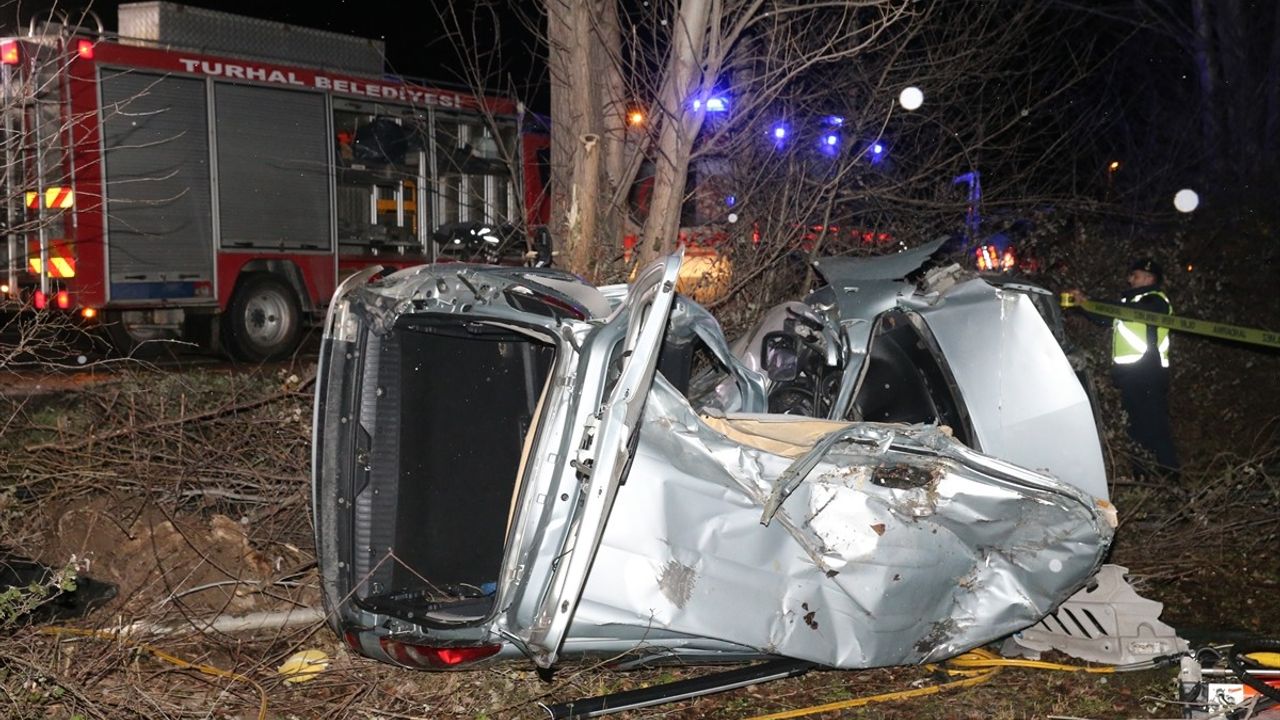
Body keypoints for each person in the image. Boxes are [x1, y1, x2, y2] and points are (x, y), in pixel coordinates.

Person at [1065, 258, 1180, 481]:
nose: (1129, 279)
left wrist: (1092, 302)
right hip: (1131, 377)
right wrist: (1085, 305)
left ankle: (1173, 481)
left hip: (1148, 374)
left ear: (1148, 278)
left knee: (1155, 428)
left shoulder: (1155, 301)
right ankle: (1143, 480)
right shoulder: (1129, 303)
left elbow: (1130, 311)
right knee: (1135, 430)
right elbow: (1105, 316)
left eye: (1134, 275)